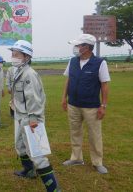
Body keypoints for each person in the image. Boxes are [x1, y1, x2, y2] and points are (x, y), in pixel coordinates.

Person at [9, 40, 60, 192]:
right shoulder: (17, 71)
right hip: (21, 116)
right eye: (12, 53)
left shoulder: (29, 74)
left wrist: (33, 120)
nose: (13, 56)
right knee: (20, 146)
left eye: (16, 54)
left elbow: (35, 100)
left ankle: (53, 188)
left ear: (26, 57)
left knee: (37, 154)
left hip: (31, 119)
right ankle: (29, 171)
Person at [61, 34, 111, 174]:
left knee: (94, 134)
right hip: (73, 104)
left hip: (91, 106)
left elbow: (104, 85)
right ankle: (76, 158)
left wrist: (103, 106)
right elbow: (68, 80)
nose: (76, 48)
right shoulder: (72, 61)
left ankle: (97, 162)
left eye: (78, 45)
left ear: (87, 47)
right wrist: (64, 98)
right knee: (75, 132)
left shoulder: (100, 63)